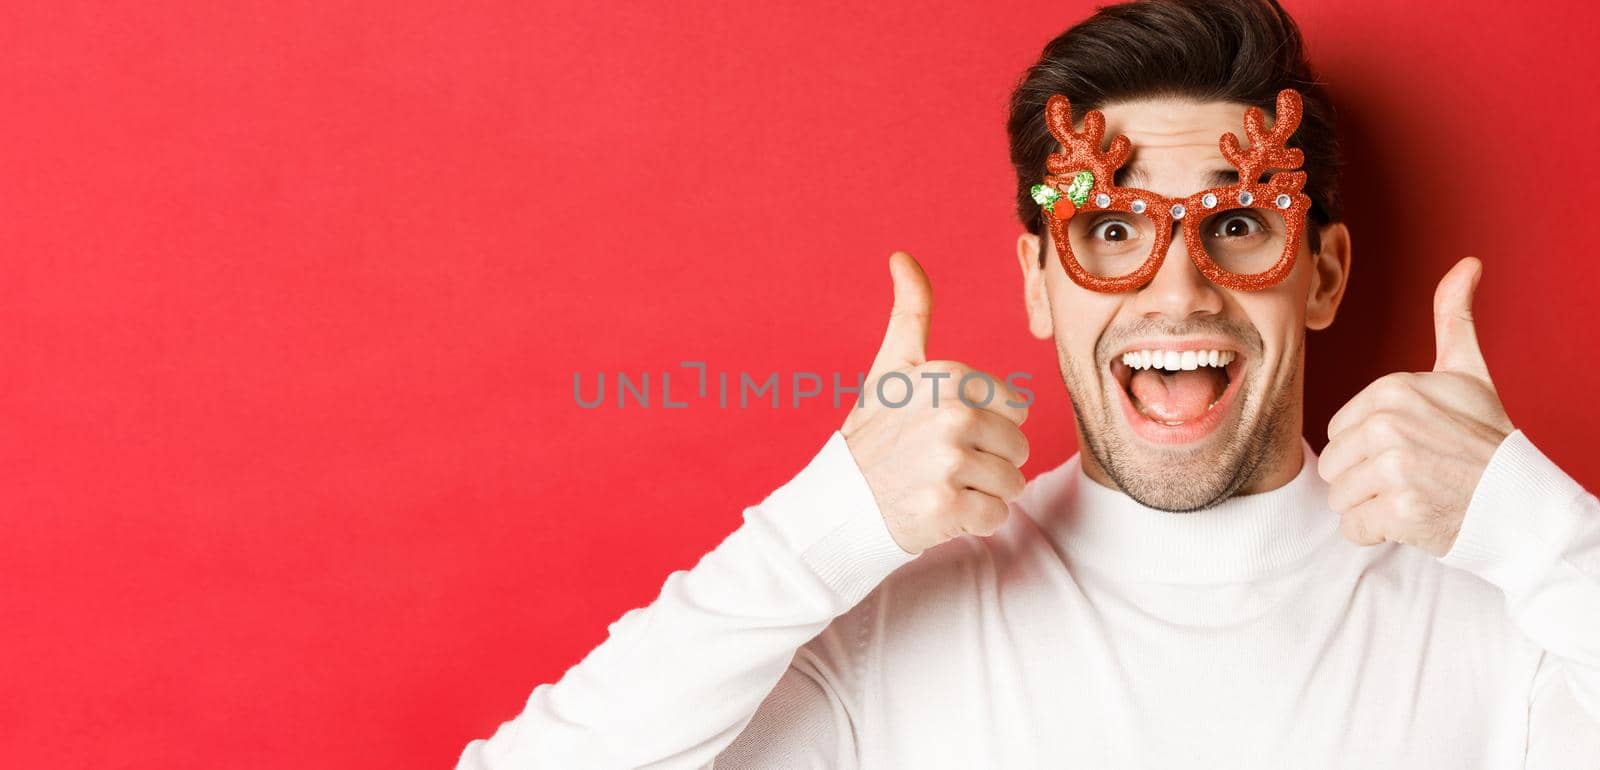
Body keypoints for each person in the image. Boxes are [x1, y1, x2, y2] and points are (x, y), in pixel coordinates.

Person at [459, 1, 1600, 767]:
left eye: (1238, 223)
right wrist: (824, 527)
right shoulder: (891, 625)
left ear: (1321, 273)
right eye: (1110, 228)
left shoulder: (1511, 615)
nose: (1179, 295)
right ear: (1039, 282)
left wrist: (1538, 532)